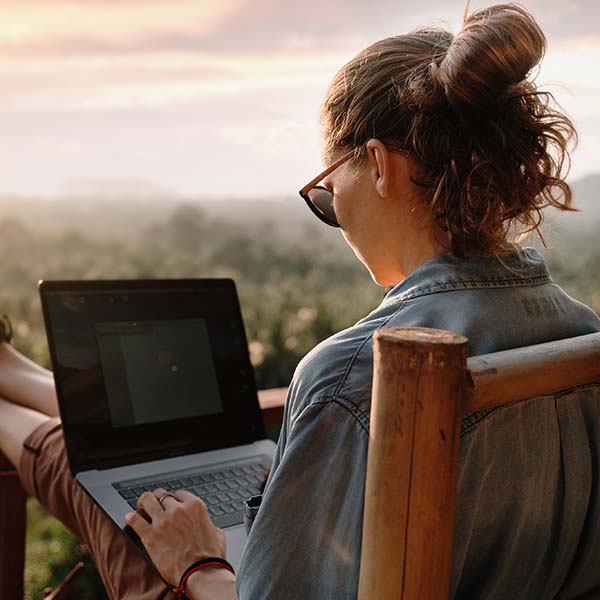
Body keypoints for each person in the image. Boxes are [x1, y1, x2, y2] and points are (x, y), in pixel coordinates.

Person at [1, 3, 600, 598]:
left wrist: (198, 565)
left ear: (380, 165)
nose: (333, 214)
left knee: (112, 495)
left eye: (327, 192)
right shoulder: (583, 336)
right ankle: (14, 377)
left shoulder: (355, 374)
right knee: (112, 450)